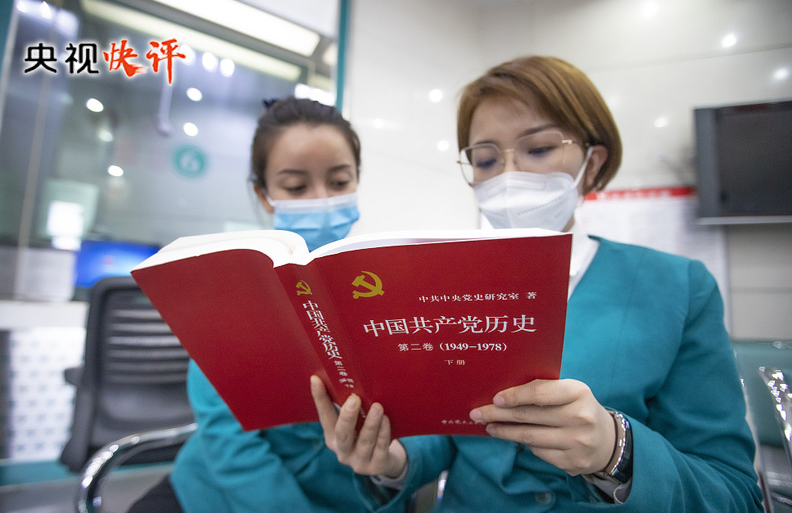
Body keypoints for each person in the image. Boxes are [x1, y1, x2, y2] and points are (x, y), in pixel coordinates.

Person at [310, 56, 765, 512]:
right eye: (486, 159)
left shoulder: (678, 288)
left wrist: (616, 451)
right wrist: (393, 460)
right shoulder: (447, 280)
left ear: (592, 163)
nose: (509, 175)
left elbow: (732, 492)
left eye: (540, 149)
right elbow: (448, 435)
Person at [130, 97, 369, 512]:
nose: (321, 199)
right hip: (218, 493)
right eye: (296, 187)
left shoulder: (380, 288)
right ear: (264, 194)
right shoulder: (229, 292)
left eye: (339, 181)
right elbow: (227, 438)